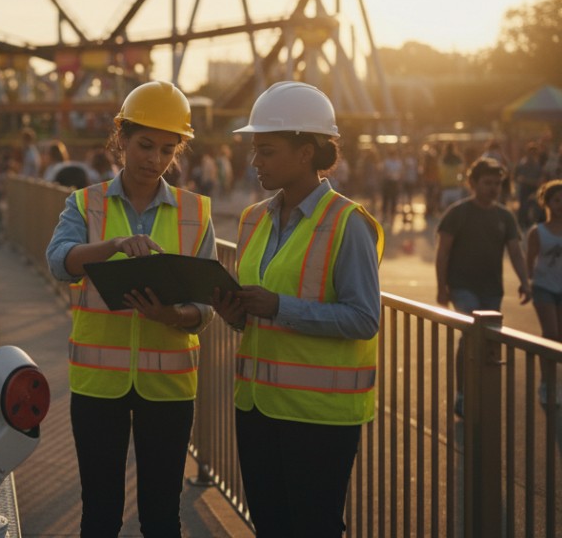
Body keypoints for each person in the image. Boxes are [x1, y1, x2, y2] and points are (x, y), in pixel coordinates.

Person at [45, 80, 217, 538]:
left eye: (166, 149)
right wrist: (114, 246)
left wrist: (178, 316)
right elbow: (59, 262)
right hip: (99, 383)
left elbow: (208, 300)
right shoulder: (84, 203)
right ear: (120, 137)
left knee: (161, 517)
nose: (154, 160)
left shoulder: (196, 212)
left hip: (169, 386)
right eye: (144, 145)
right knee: (99, 514)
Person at [212, 81, 383, 538]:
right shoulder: (253, 220)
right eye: (254, 150)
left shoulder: (350, 224)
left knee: (313, 527)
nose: (254, 162)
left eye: (266, 151)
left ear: (306, 151)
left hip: (318, 417)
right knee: (270, 524)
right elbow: (258, 312)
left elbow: (365, 318)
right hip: (257, 408)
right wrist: (236, 312)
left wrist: (279, 307)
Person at [435, 157, 530, 415]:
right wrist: (442, 287)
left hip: (492, 289)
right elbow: (443, 252)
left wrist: (524, 281)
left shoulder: (505, 216)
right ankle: (463, 394)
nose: (493, 188)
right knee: (469, 338)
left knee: (488, 344)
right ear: (472, 183)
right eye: (487, 183)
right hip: (462, 286)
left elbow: (515, 252)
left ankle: (484, 395)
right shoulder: (458, 213)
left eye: (497, 184)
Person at [526, 180, 562, 406]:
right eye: (557, 201)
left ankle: (555, 382)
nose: (561, 205)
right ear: (546, 203)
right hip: (543, 287)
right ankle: (546, 384)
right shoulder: (537, 232)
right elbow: (529, 261)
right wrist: (529, 284)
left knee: (560, 338)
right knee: (550, 334)